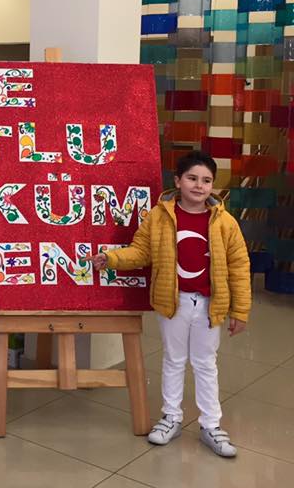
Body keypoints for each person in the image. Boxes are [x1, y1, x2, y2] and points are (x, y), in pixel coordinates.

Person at [88, 150, 251, 458]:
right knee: (174, 360)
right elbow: (141, 251)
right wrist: (111, 259)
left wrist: (240, 311)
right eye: (192, 178)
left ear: (212, 186)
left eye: (206, 180)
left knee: (205, 363)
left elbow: (239, 266)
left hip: (209, 305)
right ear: (177, 181)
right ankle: (171, 418)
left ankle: (211, 425)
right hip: (173, 303)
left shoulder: (224, 223)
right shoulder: (159, 217)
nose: (199, 186)